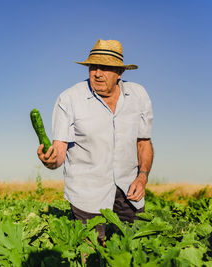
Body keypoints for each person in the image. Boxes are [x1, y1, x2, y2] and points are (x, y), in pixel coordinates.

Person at [37, 39, 153, 241]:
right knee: (91, 253)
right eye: (93, 66)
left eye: (105, 67)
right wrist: (50, 161)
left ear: (120, 73)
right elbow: (59, 152)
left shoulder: (139, 95)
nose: (97, 73)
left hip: (129, 190)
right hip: (88, 193)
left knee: (135, 250)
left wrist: (142, 176)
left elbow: (143, 142)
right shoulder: (69, 99)